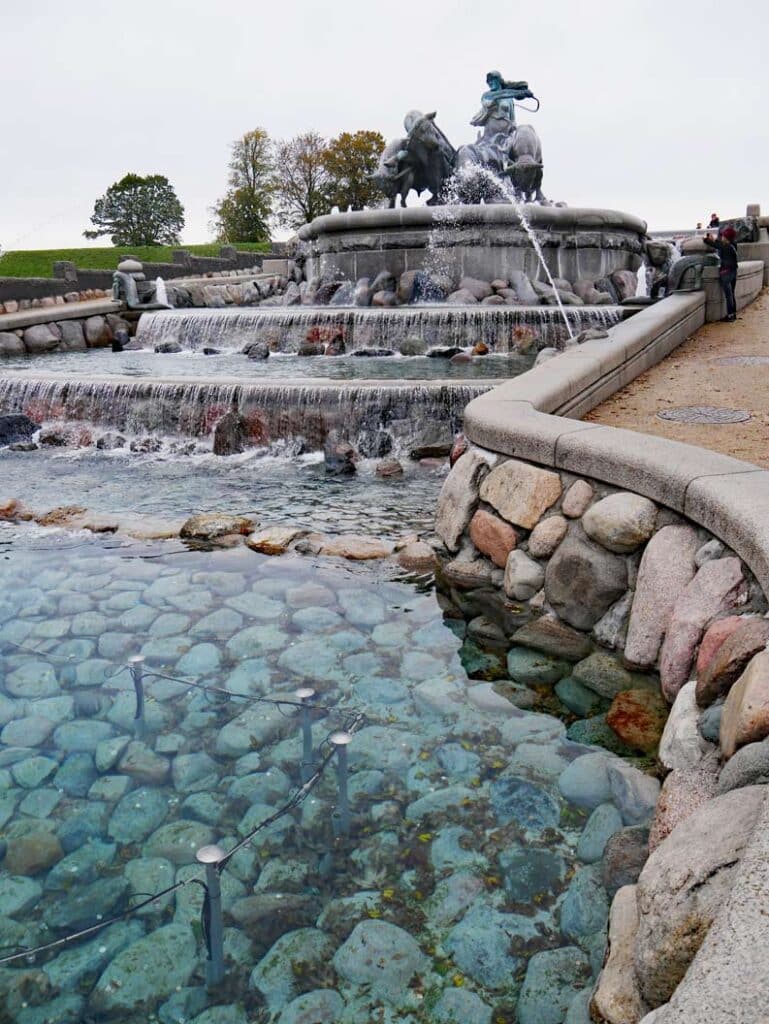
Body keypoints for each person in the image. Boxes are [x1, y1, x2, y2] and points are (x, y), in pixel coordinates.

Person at [703, 225, 739, 321]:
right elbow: (720, 244)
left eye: (723, 235)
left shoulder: (725, 246)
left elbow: (707, 242)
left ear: (726, 237)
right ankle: (733, 315)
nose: (722, 237)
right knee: (732, 294)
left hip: (726, 273)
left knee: (728, 295)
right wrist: (714, 239)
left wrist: (707, 238)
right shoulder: (733, 245)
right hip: (734, 272)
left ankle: (730, 316)